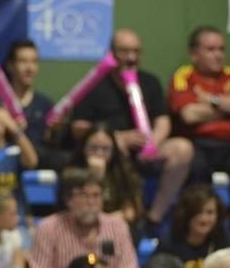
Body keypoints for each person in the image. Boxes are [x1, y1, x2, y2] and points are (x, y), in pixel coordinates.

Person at [72, 28, 194, 234]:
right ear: (111, 54)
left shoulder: (150, 82)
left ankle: (154, 219)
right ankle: (103, 220)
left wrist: (152, 142)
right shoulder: (95, 84)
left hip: (145, 150)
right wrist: (116, 139)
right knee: (100, 153)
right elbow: (79, 127)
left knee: (183, 149)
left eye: (136, 52)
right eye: (124, 51)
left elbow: (163, 121)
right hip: (110, 150)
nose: (131, 58)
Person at [168, 26, 230, 235]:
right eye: (211, 49)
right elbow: (189, 115)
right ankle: (200, 231)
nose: (218, 55)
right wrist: (228, 106)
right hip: (199, 143)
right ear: (195, 54)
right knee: (196, 168)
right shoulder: (184, 75)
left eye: (221, 49)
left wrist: (211, 100)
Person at [29, 168, 138, 268]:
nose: (91, 202)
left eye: (96, 195)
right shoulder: (48, 228)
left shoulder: (118, 227)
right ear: (68, 199)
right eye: (83, 195)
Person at [0, 39, 62, 170]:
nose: (29, 68)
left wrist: (56, 132)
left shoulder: (45, 104)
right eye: (23, 62)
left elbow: (50, 144)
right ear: (10, 66)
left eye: (34, 62)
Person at [69, 125, 144, 233]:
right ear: (83, 148)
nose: (99, 154)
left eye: (105, 149)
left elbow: (130, 212)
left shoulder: (124, 173)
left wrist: (104, 222)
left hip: (115, 230)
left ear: (114, 151)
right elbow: (71, 210)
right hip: (77, 229)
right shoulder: (71, 173)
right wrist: (94, 176)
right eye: (93, 148)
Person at [160, 184, 230, 268]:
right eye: (198, 212)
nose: (204, 219)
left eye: (210, 213)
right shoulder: (170, 241)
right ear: (186, 214)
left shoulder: (223, 239)